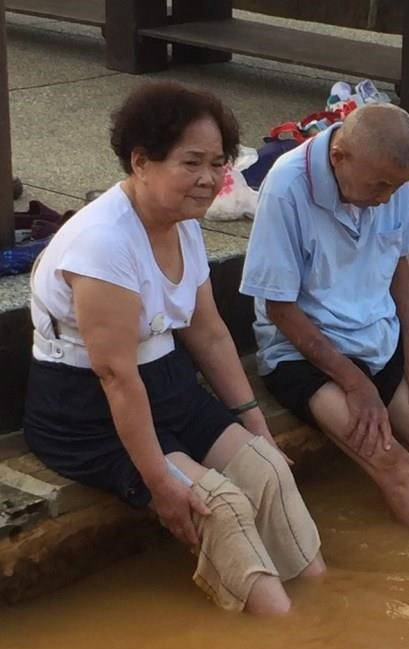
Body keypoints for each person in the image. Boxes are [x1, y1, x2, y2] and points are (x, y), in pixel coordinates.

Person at [23, 83, 325, 615]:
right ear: (141, 161)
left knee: (268, 470)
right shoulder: (102, 244)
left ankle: (325, 606)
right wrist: (162, 483)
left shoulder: (182, 223)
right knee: (219, 506)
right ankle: (288, 639)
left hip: (166, 381)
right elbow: (116, 377)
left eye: (217, 163)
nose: (209, 180)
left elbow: (208, 333)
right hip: (86, 408)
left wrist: (257, 428)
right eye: (191, 162)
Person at [239, 103, 409, 536]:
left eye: (396, 187)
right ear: (339, 158)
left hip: (376, 338)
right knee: (397, 466)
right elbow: (279, 308)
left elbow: (399, 268)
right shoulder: (285, 189)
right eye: (379, 186)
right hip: (303, 354)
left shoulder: (391, 178)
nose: (387, 198)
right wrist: (353, 382)